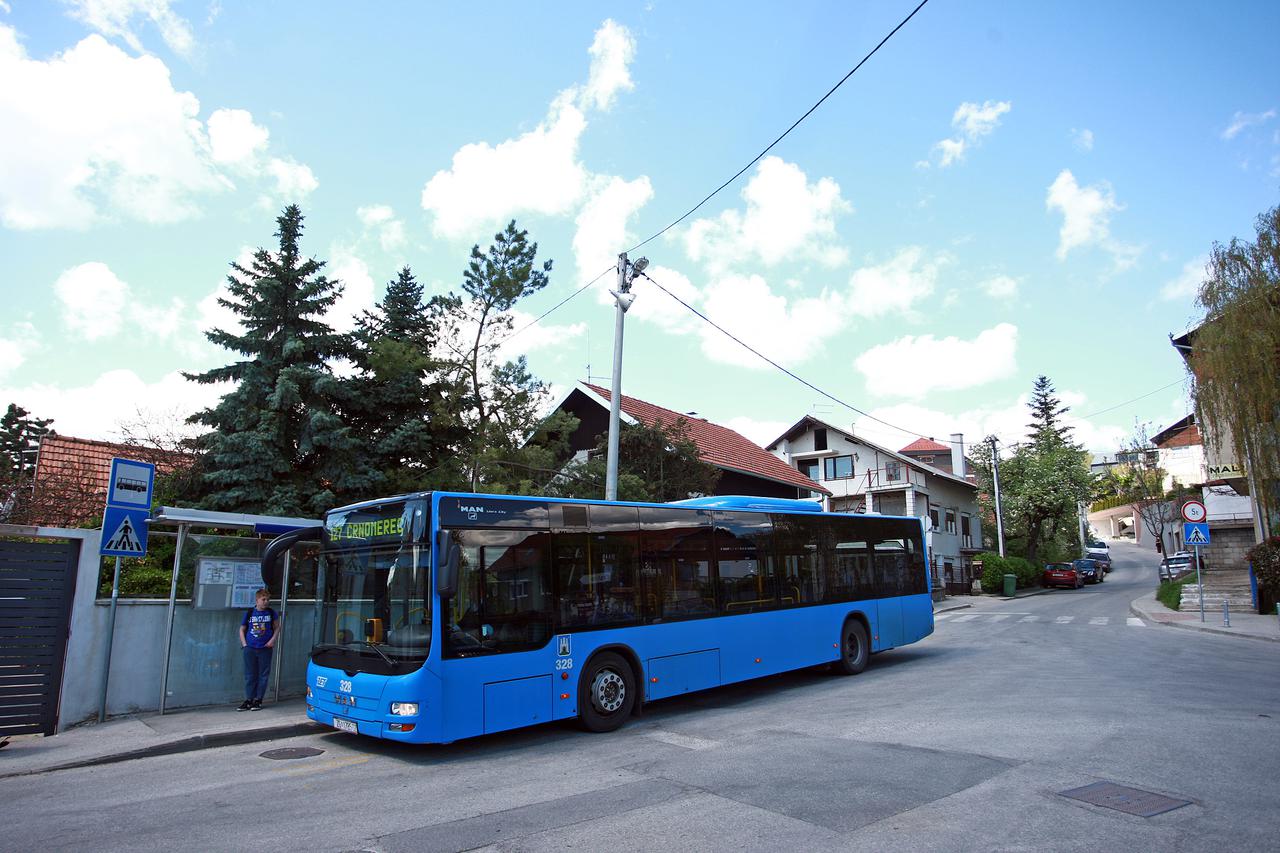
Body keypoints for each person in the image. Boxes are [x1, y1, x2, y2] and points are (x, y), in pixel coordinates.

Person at [238, 588, 279, 711]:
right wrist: (244, 644)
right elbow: (242, 629)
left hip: (265, 648)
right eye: (263, 599)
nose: (266, 602)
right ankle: (249, 699)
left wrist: (272, 640)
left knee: (263, 674)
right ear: (257, 600)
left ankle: (258, 699)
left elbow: (277, 627)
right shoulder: (250, 613)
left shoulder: (271, 613)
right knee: (250, 675)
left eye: (267, 599)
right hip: (250, 647)